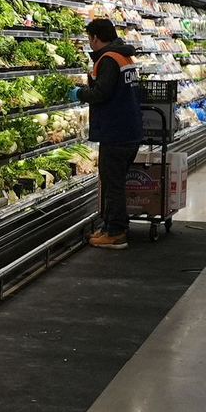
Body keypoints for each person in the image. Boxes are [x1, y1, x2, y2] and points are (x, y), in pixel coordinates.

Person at [71, 18, 142, 249]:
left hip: (116, 132)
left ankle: (116, 233)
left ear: (95, 37)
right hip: (129, 129)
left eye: (88, 37)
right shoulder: (124, 56)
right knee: (113, 182)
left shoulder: (109, 60)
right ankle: (109, 226)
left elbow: (101, 93)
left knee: (113, 185)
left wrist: (79, 93)